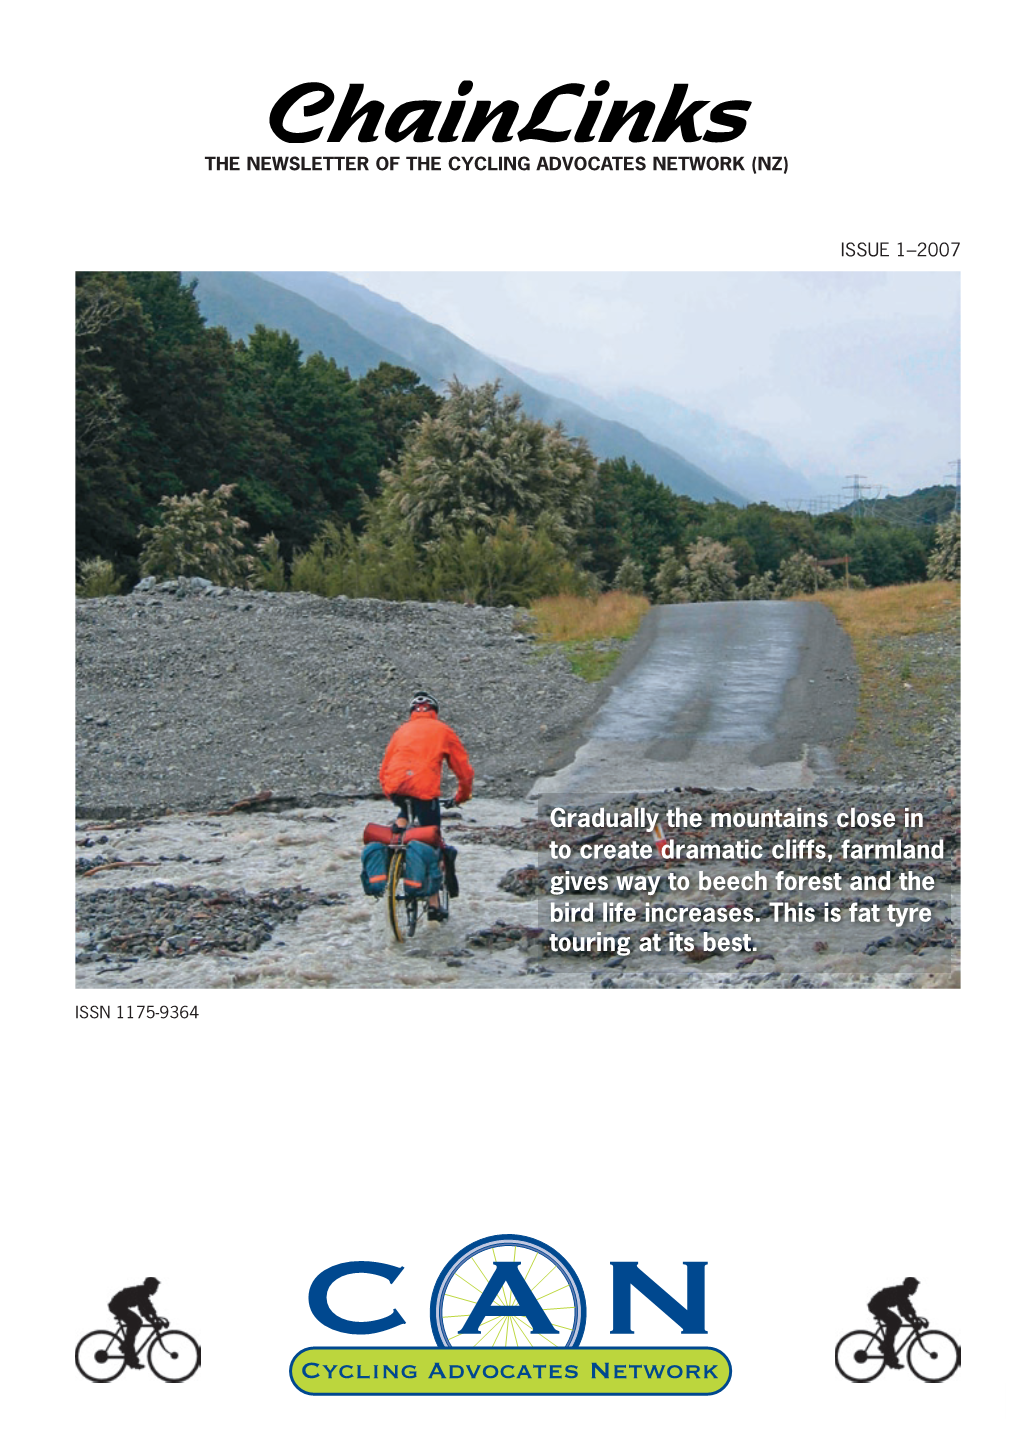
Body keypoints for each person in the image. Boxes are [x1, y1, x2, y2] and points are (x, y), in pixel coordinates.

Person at [379, 691, 473, 920]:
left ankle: (395, 846)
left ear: (412, 713)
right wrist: (462, 796)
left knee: (405, 813)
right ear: (435, 712)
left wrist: (391, 793)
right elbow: (464, 770)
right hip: (424, 791)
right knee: (432, 839)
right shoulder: (443, 730)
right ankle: (433, 903)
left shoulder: (401, 731)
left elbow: (384, 770)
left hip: (397, 787)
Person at [868, 1276, 923, 1368]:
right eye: (914, 1287)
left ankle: (887, 1349)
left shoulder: (903, 1293)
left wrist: (915, 1317)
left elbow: (908, 1306)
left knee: (894, 1324)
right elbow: (903, 1310)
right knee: (895, 1322)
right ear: (908, 1286)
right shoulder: (900, 1293)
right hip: (876, 1306)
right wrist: (912, 1321)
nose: (915, 1289)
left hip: (878, 1305)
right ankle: (887, 1349)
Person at [109, 1276, 162, 1369]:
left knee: (134, 1327)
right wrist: (153, 1321)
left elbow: (148, 1306)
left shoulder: (143, 1293)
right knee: (136, 1322)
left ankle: (130, 1355)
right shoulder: (141, 1293)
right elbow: (144, 1310)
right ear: (149, 1286)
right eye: (155, 1287)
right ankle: (126, 1347)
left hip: (119, 1305)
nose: (156, 1290)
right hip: (117, 1305)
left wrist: (156, 1317)